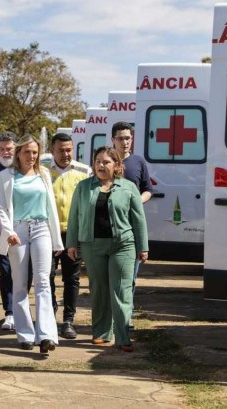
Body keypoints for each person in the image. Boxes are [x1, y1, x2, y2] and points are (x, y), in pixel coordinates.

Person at [66, 146, 149, 352]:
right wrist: (71, 243)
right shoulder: (83, 187)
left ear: (117, 165)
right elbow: (74, 216)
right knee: (99, 290)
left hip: (123, 245)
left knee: (120, 290)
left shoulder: (129, 187)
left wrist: (143, 246)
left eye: (106, 162)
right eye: (98, 162)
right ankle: (102, 333)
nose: (101, 166)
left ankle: (123, 336)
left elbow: (138, 220)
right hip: (92, 245)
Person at [0, 134, 64, 355]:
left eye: (35, 152)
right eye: (27, 152)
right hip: (18, 230)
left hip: (41, 228)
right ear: (18, 153)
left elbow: (50, 207)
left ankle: (46, 335)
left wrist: (57, 239)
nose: (31, 156)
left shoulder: (43, 174)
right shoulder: (6, 176)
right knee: (20, 284)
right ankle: (25, 334)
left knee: (43, 281)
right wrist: (9, 232)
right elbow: (1, 208)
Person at [47, 132, 92, 340]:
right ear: (52, 151)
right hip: (47, 234)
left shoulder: (84, 171)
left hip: (73, 234)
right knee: (46, 277)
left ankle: (68, 321)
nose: (65, 154)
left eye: (69, 150)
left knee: (71, 279)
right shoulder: (43, 172)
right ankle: (49, 316)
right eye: (61, 150)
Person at [111, 121, 153, 329]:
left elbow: (148, 189)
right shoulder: (106, 160)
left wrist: (136, 200)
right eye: (121, 138)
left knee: (130, 276)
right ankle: (109, 317)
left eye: (128, 138)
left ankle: (126, 317)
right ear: (113, 140)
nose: (125, 142)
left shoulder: (139, 162)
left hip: (132, 227)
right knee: (109, 276)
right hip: (109, 228)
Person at [0, 131, 18, 331]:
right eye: (1, 149)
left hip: (24, 229)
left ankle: (20, 311)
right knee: (5, 271)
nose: (5, 152)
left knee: (23, 274)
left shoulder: (23, 169)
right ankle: (9, 313)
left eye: (9, 149)